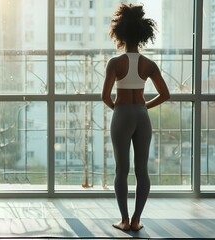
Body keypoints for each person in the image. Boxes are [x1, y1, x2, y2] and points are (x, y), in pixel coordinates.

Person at [101, 3, 170, 231]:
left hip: (122, 113)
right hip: (142, 115)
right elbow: (165, 94)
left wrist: (119, 110)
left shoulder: (115, 63)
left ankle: (124, 220)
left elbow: (105, 96)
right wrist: (143, 107)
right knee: (142, 170)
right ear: (142, 35)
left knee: (122, 169)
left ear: (120, 33)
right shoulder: (149, 64)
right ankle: (137, 220)